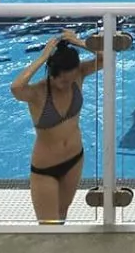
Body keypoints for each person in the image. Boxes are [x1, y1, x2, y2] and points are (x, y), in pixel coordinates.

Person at [10, 31, 100, 225]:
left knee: (62, 217)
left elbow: (106, 57)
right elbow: (16, 87)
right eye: (63, 81)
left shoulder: (79, 76)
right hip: (46, 169)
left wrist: (79, 42)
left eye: (71, 78)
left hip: (75, 159)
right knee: (49, 227)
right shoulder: (37, 93)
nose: (68, 84)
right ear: (52, 74)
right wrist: (43, 57)